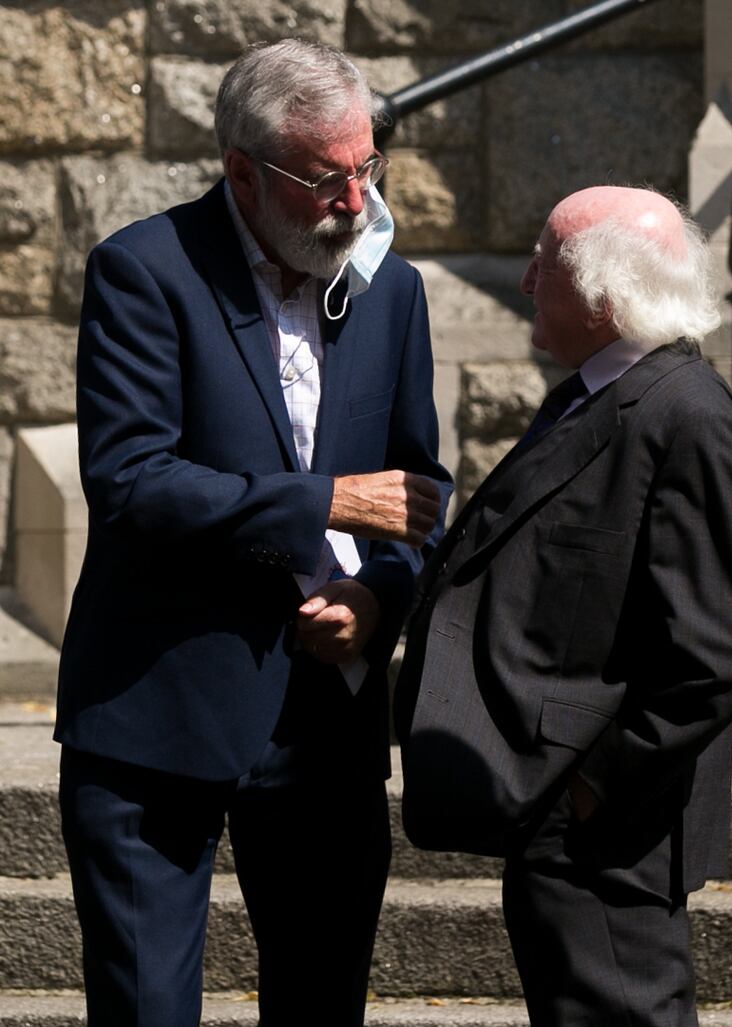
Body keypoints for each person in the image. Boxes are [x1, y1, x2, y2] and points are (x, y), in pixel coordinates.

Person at [55, 38, 451, 1027]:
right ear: (241, 171)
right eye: (326, 179)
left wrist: (379, 598)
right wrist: (322, 504)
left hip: (323, 720)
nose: (355, 204)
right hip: (157, 705)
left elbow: (415, 492)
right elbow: (133, 482)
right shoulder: (144, 270)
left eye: (368, 170)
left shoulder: (387, 289)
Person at [395, 186, 732, 1027]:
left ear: (605, 298)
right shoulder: (597, 391)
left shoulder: (684, 414)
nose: (526, 279)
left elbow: (721, 650)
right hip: (564, 814)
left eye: (545, 262)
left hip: (608, 827)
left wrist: (594, 785)